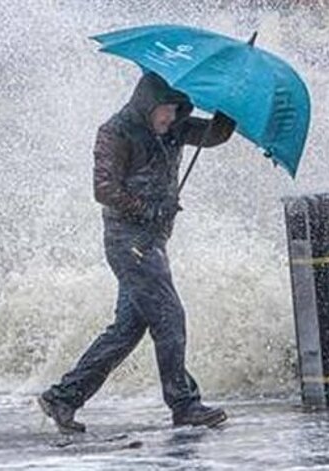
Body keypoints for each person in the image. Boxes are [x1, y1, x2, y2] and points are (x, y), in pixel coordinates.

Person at [38, 72, 236, 434]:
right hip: (128, 241)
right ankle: (184, 404)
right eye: (165, 110)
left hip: (153, 242)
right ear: (148, 104)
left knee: (127, 329)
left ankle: (63, 397)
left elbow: (214, 135)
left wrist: (230, 105)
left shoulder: (174, 127)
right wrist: (148, 209)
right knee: (170, 316)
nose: (170, 118)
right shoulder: (115, 132)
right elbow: (103, 189)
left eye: (177, 110)